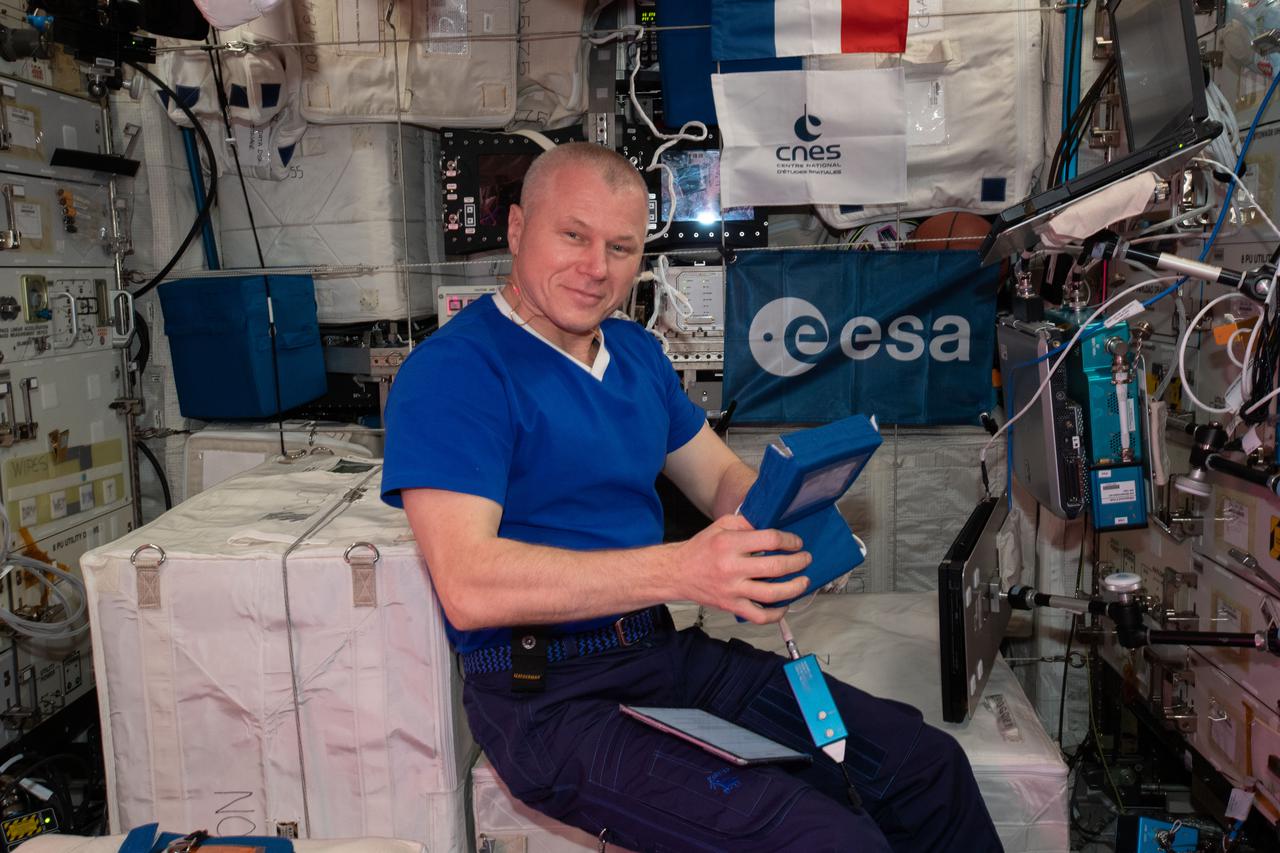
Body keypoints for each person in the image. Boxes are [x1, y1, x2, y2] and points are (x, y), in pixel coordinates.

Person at [381, 142, 1002, 852]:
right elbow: (468, 584)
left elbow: (717, 479)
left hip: (659, 654)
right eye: (573, 236)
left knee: (925, 769)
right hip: (548, 698)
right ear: (518, 229)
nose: (596, 268)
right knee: (828, 842)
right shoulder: (456, 373)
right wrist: (685, 570)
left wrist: (773, 528)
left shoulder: (636, 355)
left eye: (621, 246)